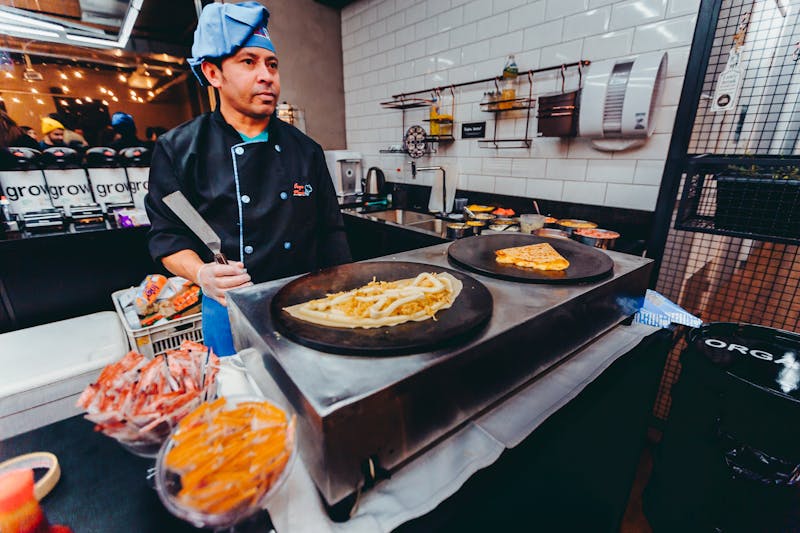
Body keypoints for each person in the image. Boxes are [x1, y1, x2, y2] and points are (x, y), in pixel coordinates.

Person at [145, 2, 351, 356]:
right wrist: (202, 274)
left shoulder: (306, 150)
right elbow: (167, 236)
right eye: (248, 62)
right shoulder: (178, 149)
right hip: (229, 307)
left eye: (272, 64)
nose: (267, 75)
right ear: (213, 73)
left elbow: (331, 231)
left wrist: (345, 295)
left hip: (308, 305)